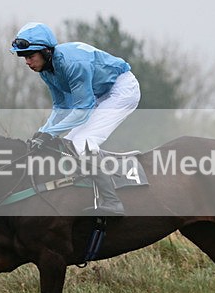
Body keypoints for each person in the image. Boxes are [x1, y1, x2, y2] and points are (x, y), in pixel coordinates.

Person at [10, 22, 141, 216]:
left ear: (46, 52)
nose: (27, 62)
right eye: (24, 57)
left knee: (82, 143)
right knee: (68, 144)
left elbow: (82, 109)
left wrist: (49, 133)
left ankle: (113, 202)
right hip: (100, 93)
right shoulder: (46, 70)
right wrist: (43, 132)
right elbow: (61, 107)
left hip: (122, 90)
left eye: (30, 56)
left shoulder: (73, 65)